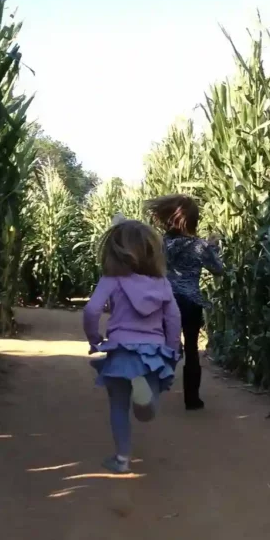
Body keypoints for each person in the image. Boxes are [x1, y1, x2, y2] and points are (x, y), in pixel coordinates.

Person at [83, 220, 181, 474]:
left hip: (121, 350)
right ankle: (146, 404)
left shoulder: (112, 280)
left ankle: (122, 459)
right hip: (154, 352)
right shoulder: (162, 284)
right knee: (148, 403)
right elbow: (173, 318)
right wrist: (172, 351)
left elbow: (92, 309)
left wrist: (94, 338)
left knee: (118, 405)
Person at [145, 195, 223, 411]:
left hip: (166, 301)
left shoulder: (161, 243)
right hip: (190, 301)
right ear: (193, 221)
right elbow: (218, 269)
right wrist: (213, 248)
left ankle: (152, 390)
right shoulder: (199, 246)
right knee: (191, 349)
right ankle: (192, 400)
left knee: (162, 346)